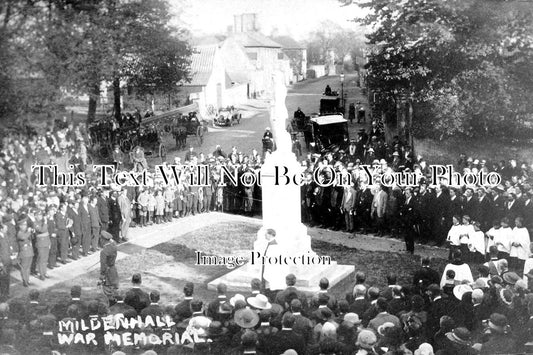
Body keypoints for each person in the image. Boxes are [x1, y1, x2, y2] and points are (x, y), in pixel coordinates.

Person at [99, 231, 118, 302]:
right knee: (113, 287)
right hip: (113, 269)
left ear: (103, 240)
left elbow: (103, 265)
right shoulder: (113, 246)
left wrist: (102, 274)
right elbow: (113, 241)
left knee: (107, 289)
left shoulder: (104, 252)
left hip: (107, 271)